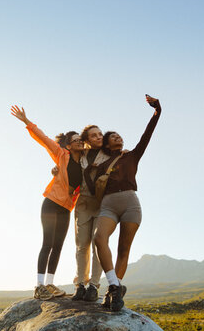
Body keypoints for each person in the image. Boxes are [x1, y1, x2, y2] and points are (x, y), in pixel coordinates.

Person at [92, 95, 161, 311]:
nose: (119, 138)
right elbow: (87, 176)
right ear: (106, 142)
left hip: (131, 203)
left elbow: (147, 135)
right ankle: (114, 286)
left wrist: (157, 111)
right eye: (113, 136)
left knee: (124, 249)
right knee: (99, 238)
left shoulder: (132, 155)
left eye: (120, 136)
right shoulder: (102, 164)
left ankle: (114, 290)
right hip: (109, 205)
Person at [11, 105, 85, 300]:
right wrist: (27, 122)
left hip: (66, 208)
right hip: (51, 203)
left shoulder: (86, 164)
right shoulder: (61, 155)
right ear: (68, 145)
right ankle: (39, 285)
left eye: (80, 140)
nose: (79, 142)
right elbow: (43, 139)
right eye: (75, 140)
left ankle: (50, 284)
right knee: (48, 243)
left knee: (59, 245)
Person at [70, 124, 113, 302]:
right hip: (83, 204)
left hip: (103, 204)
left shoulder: (111, 154)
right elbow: (66, 166)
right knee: (81, 245)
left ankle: (94, 286)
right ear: (86, 140)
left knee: (98, 245)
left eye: (100, 134)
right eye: (94, 135)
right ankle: (80, 284)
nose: (99, 137)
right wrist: (55, 170)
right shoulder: (81, 156)